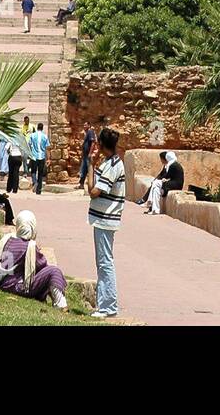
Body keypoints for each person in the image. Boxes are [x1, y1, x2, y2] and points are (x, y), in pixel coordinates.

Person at [0, 210, 69, 310]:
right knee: (54, 271)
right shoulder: (28, 246)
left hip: (2, 282)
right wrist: (37, 250)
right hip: (17, 287)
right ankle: (60, 304)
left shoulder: (8, 239)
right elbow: (41, 265)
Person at [86, 127, 125, 318]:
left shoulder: (113, 166)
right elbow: (92, 187)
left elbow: (93, 191)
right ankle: (105, 304)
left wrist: (90, 165)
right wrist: (93, 164)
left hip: (105, 220)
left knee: (105, 262)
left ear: (101, 145)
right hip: (102, 219)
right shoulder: (109, 162)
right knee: (102, 262)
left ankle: (108, 306)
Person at [139, 150, 184, 215]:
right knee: (156, 189)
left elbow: (167, 176)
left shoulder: (173, 165)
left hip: (176, 184)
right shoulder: (173, 164)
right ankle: (155, 210)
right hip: (172, 183)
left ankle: (149, 202)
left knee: (156, 183)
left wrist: (162, 179)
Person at [77, 118, 101, 189]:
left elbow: (93, 142)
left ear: (89, 126)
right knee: (83, 170)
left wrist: (90, 153)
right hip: (85, 155)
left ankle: (93, 184)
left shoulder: (90, 132)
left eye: (85, 125)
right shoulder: (87, 133)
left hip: (88, 155)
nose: (84, 127)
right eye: (83, 125)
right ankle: (81, 184)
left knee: (90, 169)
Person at [27, 122, 48, 195]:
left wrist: (30, 153)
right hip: (42, 156)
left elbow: (29, 144)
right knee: (40, 173)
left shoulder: (32, 135)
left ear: (37, 128)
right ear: (42, 128)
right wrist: (47, 158)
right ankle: (39, 190)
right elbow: (46, 147)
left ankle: (34, 182)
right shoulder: (45, 136)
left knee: (33, 171)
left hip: (34, 156)